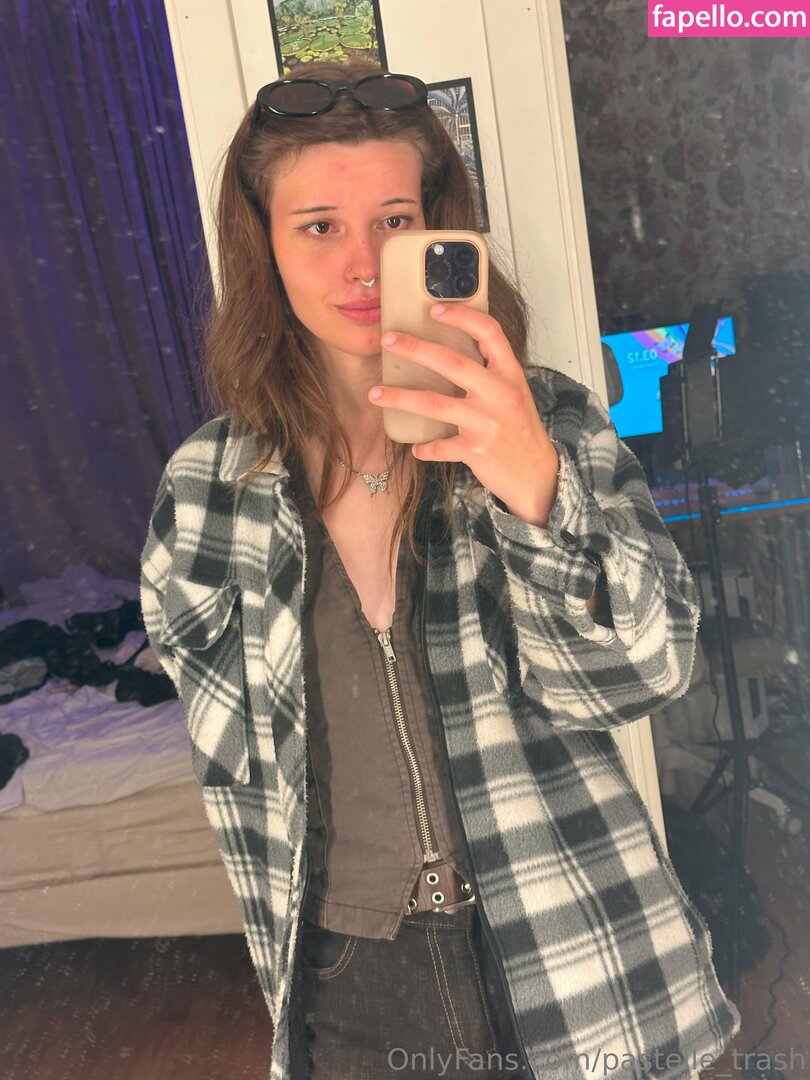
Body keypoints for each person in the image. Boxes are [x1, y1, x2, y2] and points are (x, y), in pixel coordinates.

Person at [140, 59, 740, 1080]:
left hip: (583, 954)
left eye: (396, 222)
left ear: (440, 234)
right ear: (264, 248)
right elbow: (247, 785)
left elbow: (646, 675)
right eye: (318, 226)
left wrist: (533, 488)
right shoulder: (208, 489)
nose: (364, 265)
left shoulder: (547, 423)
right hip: (351, 986)